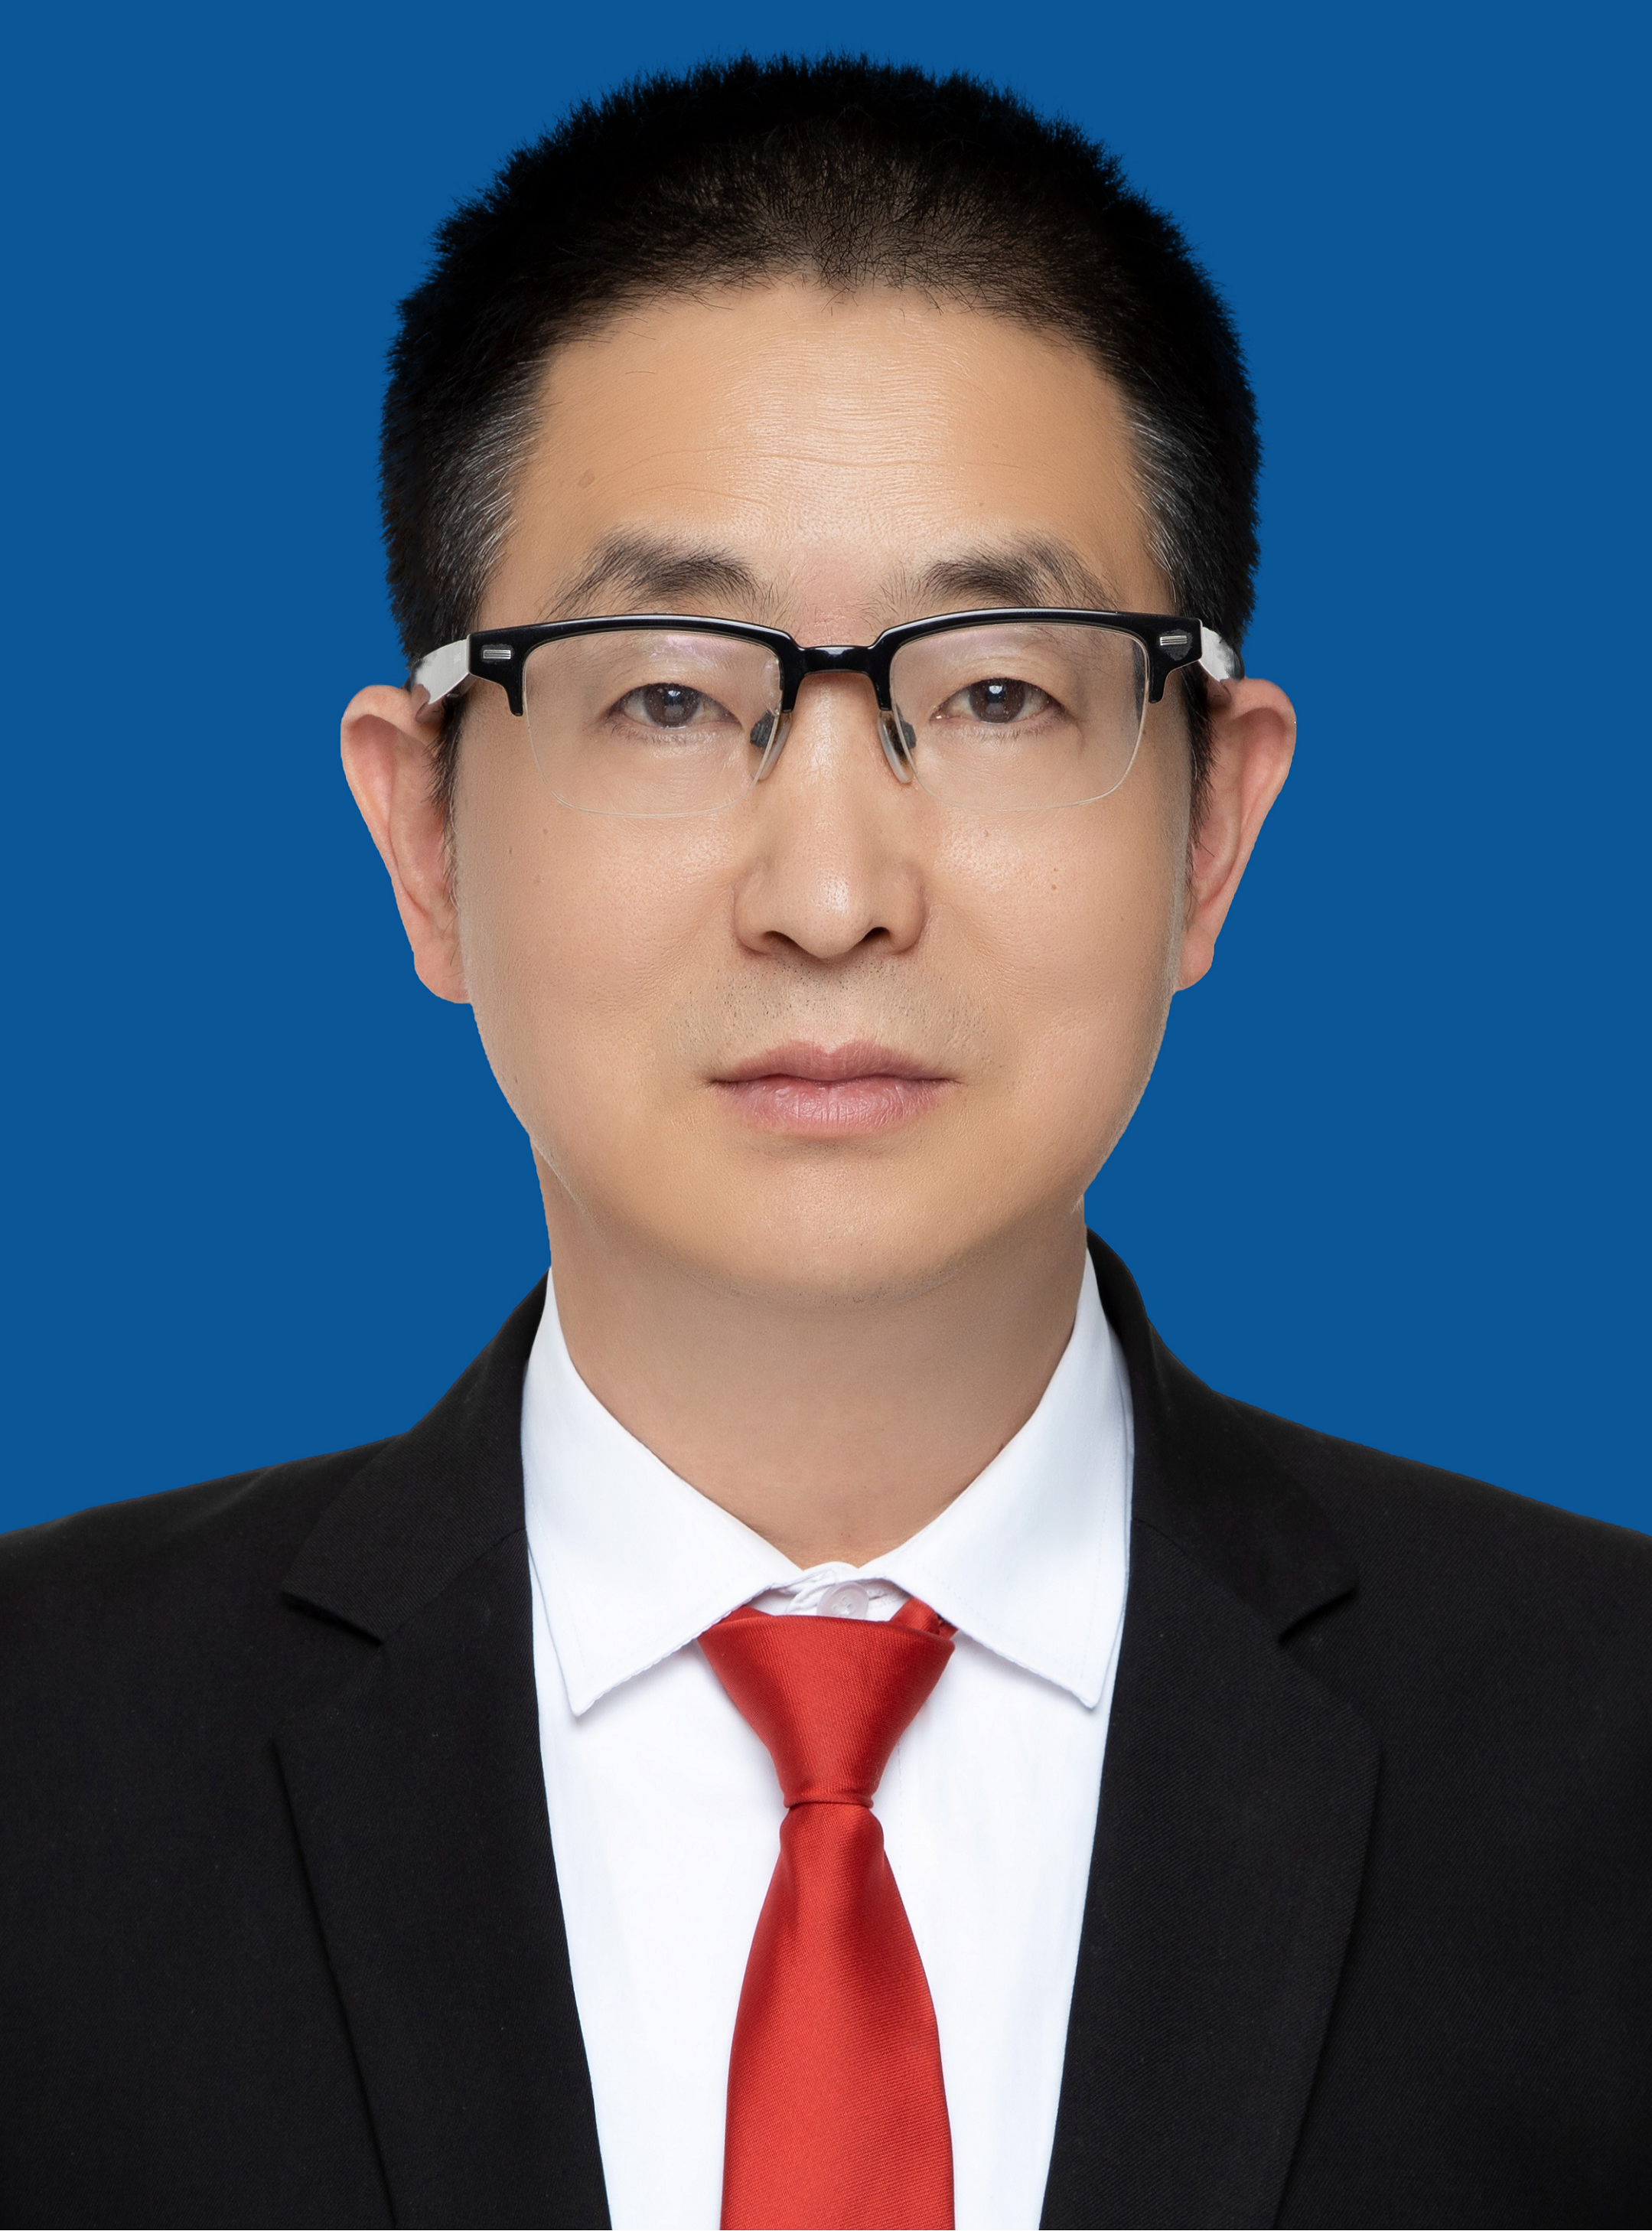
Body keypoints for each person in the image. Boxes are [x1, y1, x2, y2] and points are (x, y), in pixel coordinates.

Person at [1, 53, 1647, 2231]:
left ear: (1213, 830)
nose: (833, 889)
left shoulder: (1606, 1743)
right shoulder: (41, 1759)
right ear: (423, 841)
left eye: (998, 693)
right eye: (667, 694)